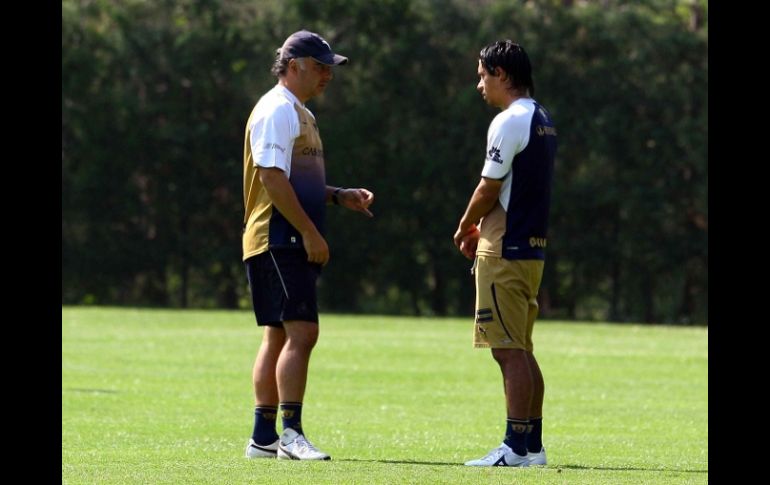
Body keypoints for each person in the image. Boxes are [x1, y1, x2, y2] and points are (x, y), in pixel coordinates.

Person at [242, 30, 374, 461]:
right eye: (320, 67)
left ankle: (263, 438)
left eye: (329, 67)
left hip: (282, 236)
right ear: (294, 64)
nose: (327, 75)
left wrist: (338, 195)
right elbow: (272, 178)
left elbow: (297, 178)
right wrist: (311, 233)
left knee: (278, 336)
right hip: (280, 237)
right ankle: (291, 434)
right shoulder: (277, 109)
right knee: (303, 332)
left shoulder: (300, 113)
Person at [453, 40, 556, 468]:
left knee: (508, 350)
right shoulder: (542, 117)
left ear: (501, 74)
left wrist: (463, 226)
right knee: (522, 348)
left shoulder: (509, 120)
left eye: (482, 74)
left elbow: (488, 187)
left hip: (505, 246)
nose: (479, 84)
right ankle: (531, 445)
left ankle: (515, 445)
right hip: (531, 248)